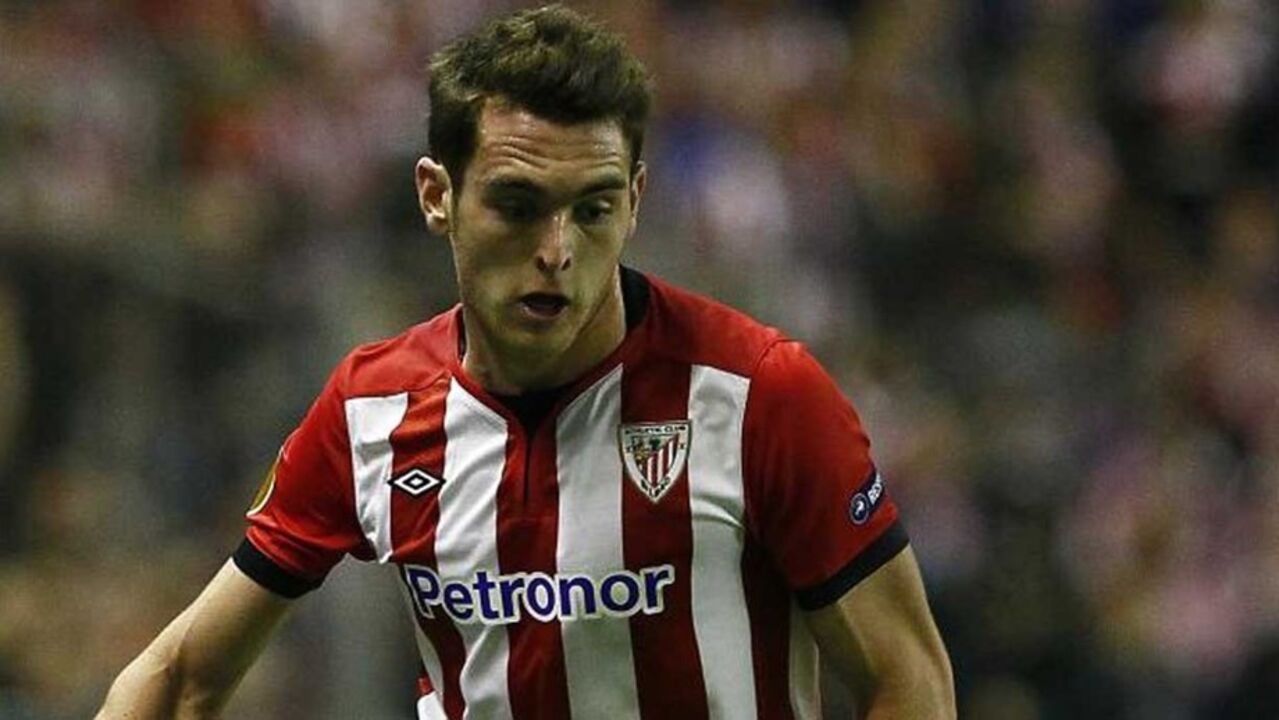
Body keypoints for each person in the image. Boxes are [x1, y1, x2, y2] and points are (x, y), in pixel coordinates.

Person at [97, 5, 955, 718]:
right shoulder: (372, 411)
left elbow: (908, 678)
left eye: (593, 209)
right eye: (517, 205)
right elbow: (177, 680)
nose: (557, 250)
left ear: (635, 201)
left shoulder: (758, 394)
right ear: (437, 195)